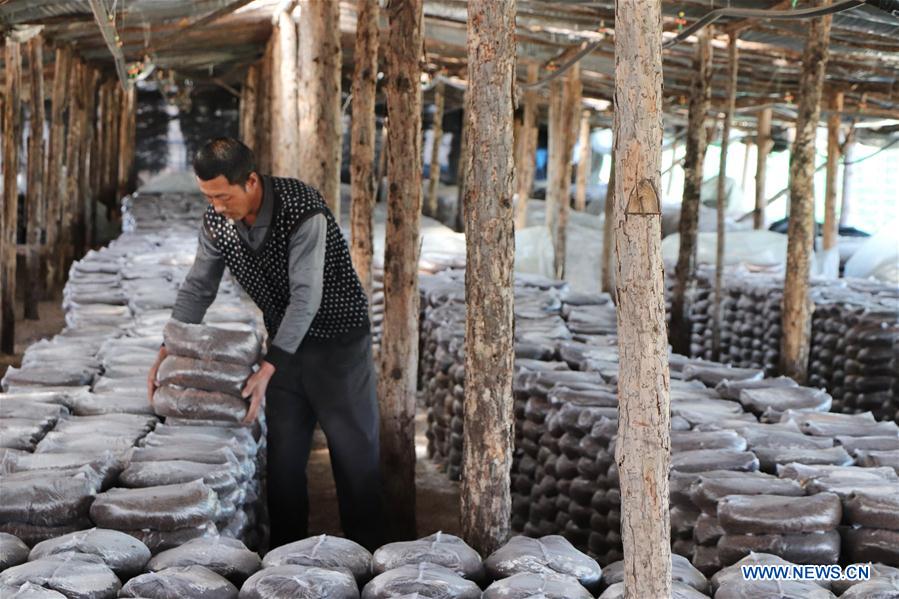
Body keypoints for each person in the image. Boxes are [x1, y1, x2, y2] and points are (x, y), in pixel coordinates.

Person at [147, 137, 384, 551]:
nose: (217, 206)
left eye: (223, 196)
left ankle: (369, 558)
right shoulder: (217, 221)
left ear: (251, 181)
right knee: (284, 464)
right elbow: (199, 286)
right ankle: (287, 566)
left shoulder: (301, 209)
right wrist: (169, 348)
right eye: (208, 197)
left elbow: (306, 296)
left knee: (354, 457)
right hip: (284, 349)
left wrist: (269, 367)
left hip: (339, 346)